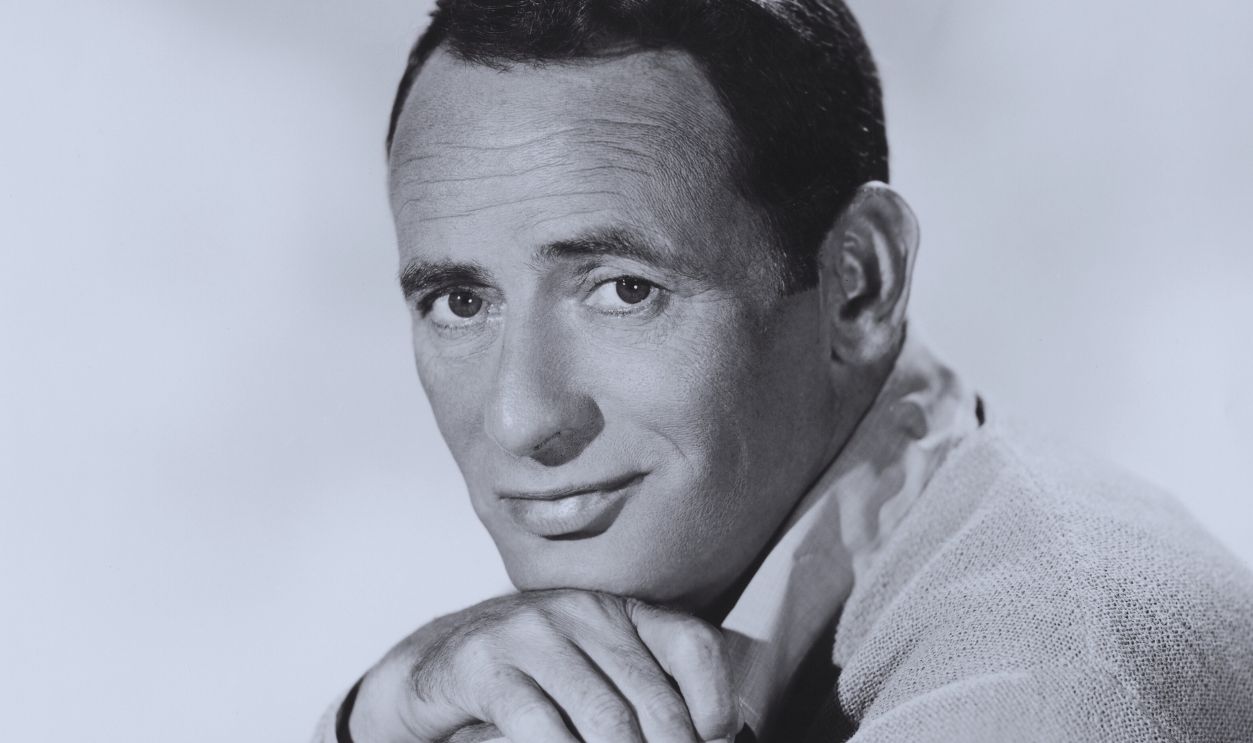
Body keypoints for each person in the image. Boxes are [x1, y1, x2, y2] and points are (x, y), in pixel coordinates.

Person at [313, 1, 1253, 741]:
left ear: (858, 284)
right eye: (460, 303)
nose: (522, 418)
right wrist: (383, 714)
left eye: (622, 290)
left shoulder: (1045, 686)